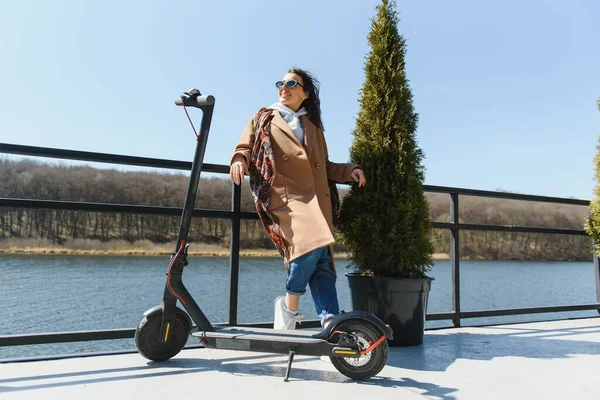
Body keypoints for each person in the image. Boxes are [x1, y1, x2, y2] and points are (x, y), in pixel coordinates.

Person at [229, 68, 366, 330]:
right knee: (312, 246)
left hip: (316, 200)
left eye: (291, 83)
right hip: (286, 196)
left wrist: (350, 170)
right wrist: (238, 159)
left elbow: (324, 166)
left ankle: (330, 324)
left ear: (305, 93)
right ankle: (290, 303)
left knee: (323, 262)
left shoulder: (312, 126)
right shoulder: (265, 117)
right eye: (281, 83)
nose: (284, 87)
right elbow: (245, 145)